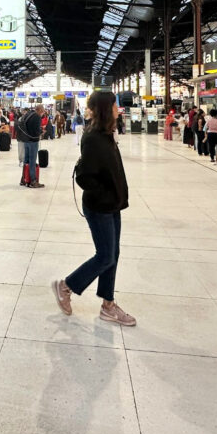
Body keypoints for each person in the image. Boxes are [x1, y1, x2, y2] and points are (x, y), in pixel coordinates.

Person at [52, 91, 135, 326]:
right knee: (105, 256)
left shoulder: (107, 134)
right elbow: (85, 177)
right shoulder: (93, 138)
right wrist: (105, 194)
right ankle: (66, 286)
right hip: (100, 206)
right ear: (106, 109)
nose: (118, 109)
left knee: (112, 255)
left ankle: (108, 306)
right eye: (114, 106)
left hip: (112, 204)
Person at [21, 104, 44, 188]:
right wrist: (41, 131)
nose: (43, 113)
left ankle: (24, 179)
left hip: (26, 140)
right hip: (33, 141)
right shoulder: (37, 117)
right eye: (42, 111)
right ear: (40, 110)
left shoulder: (28, 114)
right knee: (32, 161)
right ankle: (33, 181)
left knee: (26, 160)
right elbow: (36, 130)